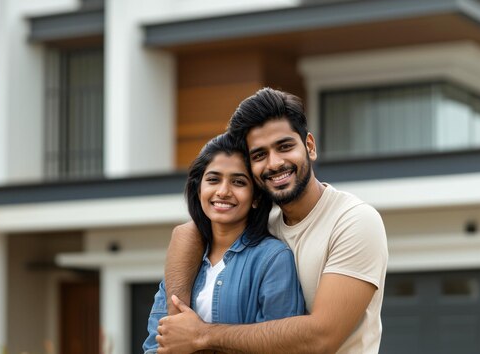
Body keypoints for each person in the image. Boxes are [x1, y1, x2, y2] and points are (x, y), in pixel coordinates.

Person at [156, 88, 388, 354]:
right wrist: (176, 313)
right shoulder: (267, 220)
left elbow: (322, 337)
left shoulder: (354, 221)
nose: (274, 163)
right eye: (259, 155)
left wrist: (202, 335)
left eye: (285, 146)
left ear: (309, 146)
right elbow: (189, 232)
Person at [143, 132, 305, 354]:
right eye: (213, 179)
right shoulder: (184, 260)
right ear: (198, 188)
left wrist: (200, 339)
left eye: (238, 182)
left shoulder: (273, 258)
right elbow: (156, 344)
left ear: (256, 197)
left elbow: (282, 346)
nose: (223, 191)